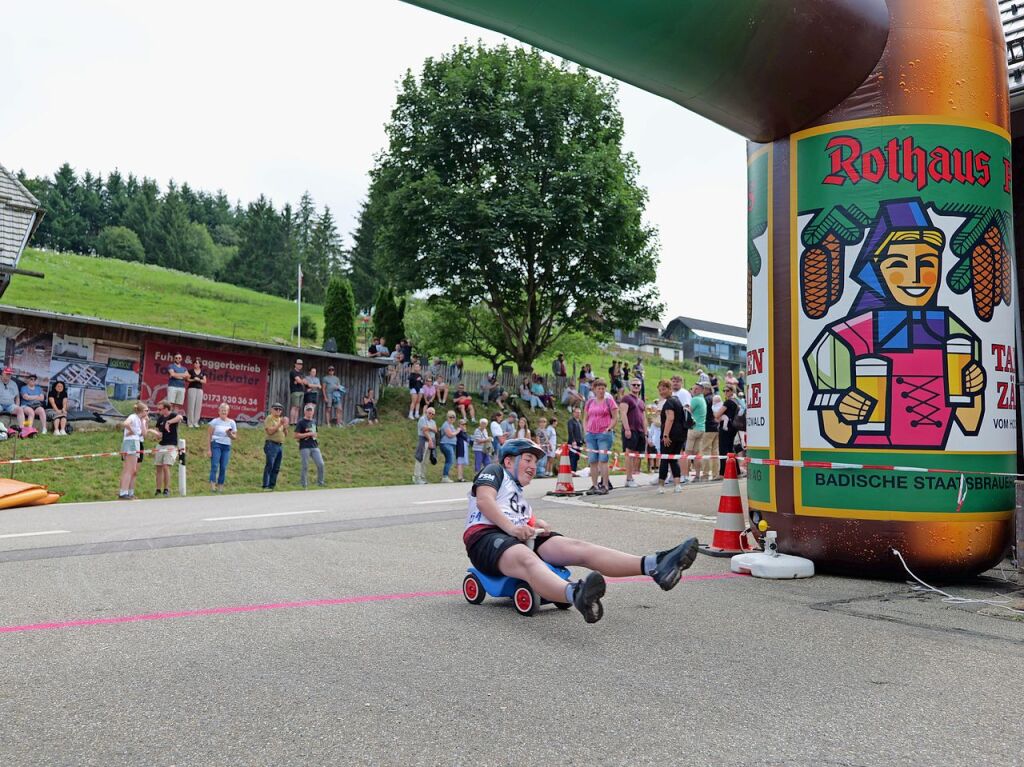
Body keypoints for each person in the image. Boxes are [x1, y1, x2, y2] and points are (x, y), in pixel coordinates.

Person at [463, 438, 700, 624]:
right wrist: (513, 528)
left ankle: (654, 565)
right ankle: (575, 594)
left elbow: (523, 519)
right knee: (526, 559)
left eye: (535, 462)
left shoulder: (520, 496)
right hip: (486, 538)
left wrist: (536, 524)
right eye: (527, 459)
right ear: (508, 461)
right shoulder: (495, 471)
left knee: (577, 548)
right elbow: (485, 501)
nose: (533, 466)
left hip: (514, 536)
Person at [583, 378, 617, 494]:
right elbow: (585, 418)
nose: (601, 391)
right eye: (599, 388)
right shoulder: (590, 402)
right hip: (591, 433)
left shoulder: (609, 401)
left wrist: (609, 428)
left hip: (604, 433)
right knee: (592, 460)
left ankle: (605, 485)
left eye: (603, 388)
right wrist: (586, 431)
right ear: (594, 390)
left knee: (603, 460)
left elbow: (615, 417)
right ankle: (594, 485)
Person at [119, 402, 158, 500]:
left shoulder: (140, 420)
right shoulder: (133, 416)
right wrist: (131, 430)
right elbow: (125, 423)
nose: (148, 412)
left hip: (135, 442)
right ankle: (123, 492)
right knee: (129, 469)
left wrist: (145, 422)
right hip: (131, 442)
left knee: (133, 470)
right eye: (146, 410)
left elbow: (143, 434)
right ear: (142, 411)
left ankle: (127, 492)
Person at [657, 380, 688, 493]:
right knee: (674, 460)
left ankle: (661, 486)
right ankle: (677, 485)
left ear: (670, 389)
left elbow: (670, 418)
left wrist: (665, 435)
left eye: (664, 389)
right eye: (660, 390)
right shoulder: (677, 401)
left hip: (670, 435)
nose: (662, 392)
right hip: (680, 435)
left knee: (665, 459)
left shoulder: (669, 402)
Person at [618, 378, 646, 488]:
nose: (636, 387)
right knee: (629, 453)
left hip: (640, 430)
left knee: (637, 454)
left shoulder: (641, 401)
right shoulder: (626, 398)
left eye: (638, 385)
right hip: (631, 429)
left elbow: (643, 418)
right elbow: (623, 414)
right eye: (634, 385)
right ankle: (628, 478)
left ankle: (632, 476)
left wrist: (645, 431)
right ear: (630, 386)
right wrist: (627, 429)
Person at [206, 402, 237, 493]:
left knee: (223, 466)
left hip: (226, 446)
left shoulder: (232, 422)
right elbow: (209, 435)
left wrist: (229, 434)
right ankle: (212, 485)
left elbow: (235, 437)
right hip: (216, 444)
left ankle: (220, 486)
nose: (224, 412)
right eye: (222, 410)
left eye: (225, 410)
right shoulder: (214, 421)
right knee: (215, 465)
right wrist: (209, 449)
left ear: (228, 412)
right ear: (219, 411)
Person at [153, 400, 182, 496]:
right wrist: (156, 434)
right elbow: (158, 432)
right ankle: (158, 490)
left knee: (166, 466)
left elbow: (180, 417)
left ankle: (166, 489)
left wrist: (169, 422)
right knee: (159, 467)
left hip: (171, 445)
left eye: (160, 409)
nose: (158, 411)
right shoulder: (160, 418)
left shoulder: (172, 415)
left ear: (166, 409)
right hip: (161, 444)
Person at [294, 402, 325, 488]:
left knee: (321, 464)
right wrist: (308, 434)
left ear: (313, 412)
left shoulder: (314, 421)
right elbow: (296, 435)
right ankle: (303, 484)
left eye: (311, 410)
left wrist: (314, 435)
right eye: (308, 410)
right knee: (305, 465)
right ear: (305, 412)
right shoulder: (301, 422)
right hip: (304, 446)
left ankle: (320, 482)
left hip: (314, 445)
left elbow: (315, 433)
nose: (309, 412)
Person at [262, 402, 288, 490]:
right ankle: (266, 485)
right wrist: (280, 424)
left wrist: (285, 427)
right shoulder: (269, 418)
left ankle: (272, 485)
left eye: (280, 409)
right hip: (271, 444)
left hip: (280, 445)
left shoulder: (280, 419)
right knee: (270, 465)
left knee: (276, 467)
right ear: (271, 410)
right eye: (276, 409)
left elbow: (286, 434)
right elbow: (270, 431)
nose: (278, 411)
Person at [685, 382, 708, 481]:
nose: (694, 390)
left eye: (696, 389)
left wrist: (685, 407)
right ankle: (697, 475)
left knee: (687, 454)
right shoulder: (703, 400)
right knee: (697, 454)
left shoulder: (695, 399)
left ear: (701, 390)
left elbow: (688, 411)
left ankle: (684, 475)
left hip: (693, 429)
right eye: (693, 388)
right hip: (701, 428)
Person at [700, 378, 720, 481]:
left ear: (705, 389)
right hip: (716, 427)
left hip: (707, 427)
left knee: (705, 451)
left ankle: (705, 475)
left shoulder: (705, 400)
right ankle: (716, 474)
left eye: (701, 388)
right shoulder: (715, 398)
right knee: (715, 452)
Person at [718, 387, 740, 475]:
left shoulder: (728, 402)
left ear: (732, 391)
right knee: (731, 449)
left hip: (725, 428)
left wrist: (716, 414)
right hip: (734, 427)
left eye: (727, 390)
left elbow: (717, 414)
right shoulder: (737, 401)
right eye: (724, 390)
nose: (725, 392)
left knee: (723, 449)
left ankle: (724, 472)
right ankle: (736, 471)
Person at [412, 406, 437, 485]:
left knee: (426, 460)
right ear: (426, 412)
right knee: (420, 459)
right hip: (423, 440)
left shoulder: (433, 422)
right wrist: (430, 439)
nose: (431, 415)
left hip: (431, 441)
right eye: (430, 413)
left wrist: (429, 428)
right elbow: (424, 430)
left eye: (433, 414)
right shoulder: (422, 419)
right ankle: (417, 477)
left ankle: (423, 476)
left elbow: (435, 430)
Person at [185, 359, 206, 428]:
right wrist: (194, 379)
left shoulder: (202, 372)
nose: (195, 364)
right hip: (192, 388)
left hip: (199, 389)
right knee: (191, 405)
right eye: (194, 363)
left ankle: (196, 422)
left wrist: (199, 380)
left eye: (197, 363)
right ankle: (190, 422)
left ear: (200, 364)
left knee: (198, 406)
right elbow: (187, 379)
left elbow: (204, 381)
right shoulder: (190, 371)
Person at [439, 410, 459, 483]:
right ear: (447, 417)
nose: (452, 418)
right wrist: (457, 431)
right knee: (450, 460)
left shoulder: (451, 425)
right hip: (446, 444)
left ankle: (445, 476)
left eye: (453, 417)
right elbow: (450, 435)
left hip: (451, 444)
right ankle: (445, 476)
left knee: (449, 460)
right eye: (450, 417)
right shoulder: (446, 424)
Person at [567, 406, 584, 474]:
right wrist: (573, 441)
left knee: (577, 457)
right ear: (573, 413)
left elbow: (581, 432)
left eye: (579, 413)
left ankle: (574, 470)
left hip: (579, 442)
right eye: (577, 412)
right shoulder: (571, 421)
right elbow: (570, 431)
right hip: (573, 442)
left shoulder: (580, 421)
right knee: (573, 456)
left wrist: (583, 440)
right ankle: (572, 470)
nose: (578, 414)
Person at [288, 359, 306, 423]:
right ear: (295, 364)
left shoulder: (302, 373)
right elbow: (299, 381)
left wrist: (300, 381)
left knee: (298, 408)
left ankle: (295, 422)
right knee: (294, 407)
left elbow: (305, 382)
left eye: (301, 364)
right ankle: (292, 422)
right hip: (295, 391)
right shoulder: (293, 372)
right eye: (298, 363)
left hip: (301, 391)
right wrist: (300, 381)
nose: (300, 365)